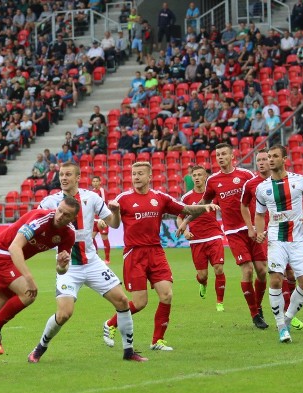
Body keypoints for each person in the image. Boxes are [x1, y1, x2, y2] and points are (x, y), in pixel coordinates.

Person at [28, 163, 146, 363]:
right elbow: (31, 223)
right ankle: (39, 348)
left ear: (78, 177)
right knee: (64, 314)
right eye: (61, 175)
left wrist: (115, 212)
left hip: (92, 263)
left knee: (122, 301)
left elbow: (114, 224)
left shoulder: (92, 198)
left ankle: (129, 351)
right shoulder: (50, 202)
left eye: (68, 174)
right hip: (68, 267)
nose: (64, 178)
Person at [101, 162, 219, 351]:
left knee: (166, 294)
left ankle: (157, 341)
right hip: (135, 254)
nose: (136, 177)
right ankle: (110, 323)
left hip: (156, 251)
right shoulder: (123, 199)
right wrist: (114, 212)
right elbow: (114, 225)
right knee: (140, 303)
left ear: (149, 177)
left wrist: (205, 207)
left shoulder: (160, 198)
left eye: (140, 174)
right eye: (133, 174)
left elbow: (185, 209)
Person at [0, 198, 78, 371]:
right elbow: (14, 247)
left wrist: (61, 265)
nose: (60, 216)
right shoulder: (41, 219)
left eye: (66, 214)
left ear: (73, 218)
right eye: (59, 210)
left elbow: (62, 270)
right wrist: (29, 278)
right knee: (28, 293)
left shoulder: (68, 235)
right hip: (0, 254)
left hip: (11, 261)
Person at [179, 144, 270, 329]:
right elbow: (203, 204)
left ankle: (258, 305)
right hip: (233, 232)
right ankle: (254, 314)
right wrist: (185, 221)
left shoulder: (245, 176)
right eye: (217, 155)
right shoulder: (213, 180)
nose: (220, 157)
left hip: (252, 228)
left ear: (231, 156)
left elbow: (262, 193)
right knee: (248, 271)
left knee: (261, 270)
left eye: (223, 154)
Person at [253, 145, 303, 343]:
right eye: (268, 157)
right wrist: (258, 232)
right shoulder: (262, 188)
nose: (270, 160)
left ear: (284, 159)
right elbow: (259, 213)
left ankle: (287, 318)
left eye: (275, 156)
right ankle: (281, 326)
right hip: (276, 239)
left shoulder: (300, 181)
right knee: (275, 280)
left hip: (298, 239)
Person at [240, 149, 303, 329]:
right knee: (274, 273)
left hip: (285, 233)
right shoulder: (252, 185)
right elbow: (243, 206)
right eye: (258, 160)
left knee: (291, 274)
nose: (261, 162)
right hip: (267, 236)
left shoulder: (284, 181)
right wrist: (252, 228)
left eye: (265, 159)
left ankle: (288, 311)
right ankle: (280, 315)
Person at [177, 166, 228, 311]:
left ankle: (219, 302)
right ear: (191, 178)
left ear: (206, 177)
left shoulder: (214, 195)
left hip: (214, 235)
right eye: (195, 175)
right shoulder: (186, 198)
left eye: (200, 175)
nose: (197, 177)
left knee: (218, 268)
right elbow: (179, 218)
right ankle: (203, 283)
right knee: (202, 275)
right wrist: (185, 230)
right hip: (196, 240)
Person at [91, 175, 111, 263]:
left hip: (102, 219)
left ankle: (107, 259)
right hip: (94, 220)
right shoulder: (91, 192)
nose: (95, 183)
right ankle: (96, 256)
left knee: (104, 238)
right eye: (93, 181)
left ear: (100, 182)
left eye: (96, 181)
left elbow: (102, 204)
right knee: (91, 238)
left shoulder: (102, 191)